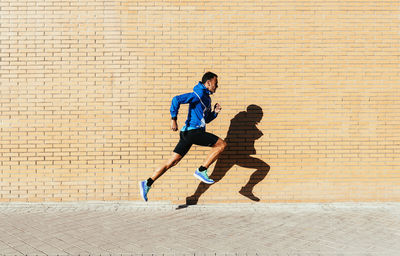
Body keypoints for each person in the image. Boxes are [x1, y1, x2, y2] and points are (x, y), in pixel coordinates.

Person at [139, 72, 227, 201]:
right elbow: (176, 99)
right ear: (208, 83)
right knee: (222, 144)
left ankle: (147, 183)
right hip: (193, 132)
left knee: (173, 161)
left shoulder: (206, 98)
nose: (217, 86)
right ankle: (202, 170)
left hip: (187, 134)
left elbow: (206, 119)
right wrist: (173, 119)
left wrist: (215, 113)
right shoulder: (198, 94)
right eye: (215, 83)